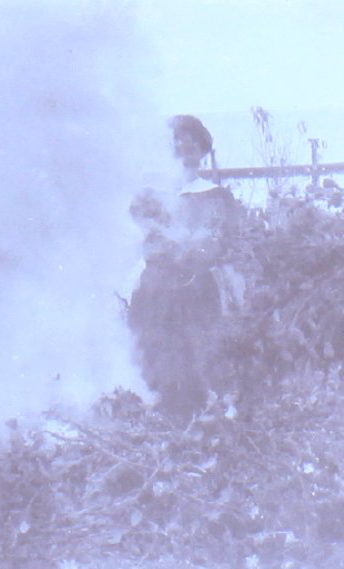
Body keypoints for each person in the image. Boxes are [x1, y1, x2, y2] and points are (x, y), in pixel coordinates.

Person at [128, 115, 245, 419]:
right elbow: (138, 234)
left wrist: (196, 250)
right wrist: (168, 243)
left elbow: (223, 239)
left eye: (192, 143)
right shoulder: (149, 196)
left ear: (202, 151)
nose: (184, 149)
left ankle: (198, 423)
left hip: (196, 289)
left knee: (198, 359)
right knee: (155, 358)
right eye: (177, 144)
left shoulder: (216, 196)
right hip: (156, 292)